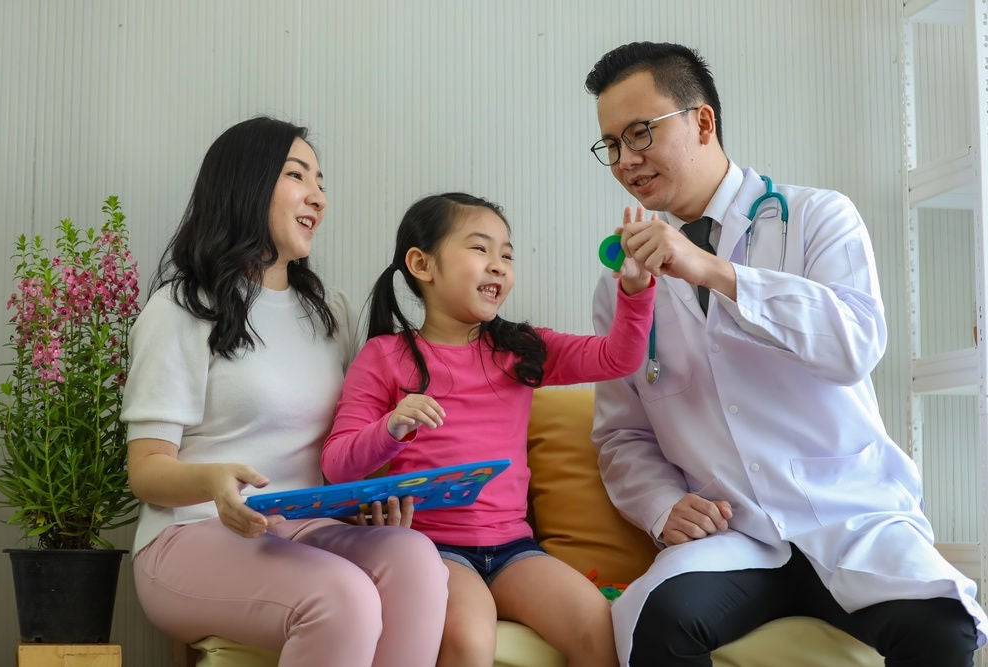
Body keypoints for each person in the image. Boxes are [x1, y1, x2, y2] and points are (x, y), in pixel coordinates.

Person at [584, 41, 988, 667]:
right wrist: (662, 505)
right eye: (611, 145)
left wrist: (717, 272)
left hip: (848, 517)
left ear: (702, 121)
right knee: (658, 625)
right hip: (737, 533)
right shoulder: (625, 287)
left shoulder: (817, 217)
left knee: (943, 630)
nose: (626, 160)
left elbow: (854, 344)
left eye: (640, 134)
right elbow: (622, 434)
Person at [121, 116, 449, 667]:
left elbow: (346, 438)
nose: (318, 196)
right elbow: (147, 470)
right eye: (298, 176)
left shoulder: (333, 313)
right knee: (343, 598)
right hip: (191, 534)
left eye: (321, 182)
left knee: (415, 559)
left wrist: (372, 499)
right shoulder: (181, 308)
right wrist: (213, 481)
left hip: (302, 526)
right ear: (247, 185)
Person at [321, 192, 655, 667]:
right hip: (431, 549)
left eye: (507, 254)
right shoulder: (384, 356)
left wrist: (636, 289)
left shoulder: (522, 349)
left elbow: (617, 357)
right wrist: (390, 429)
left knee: (596, 622)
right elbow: (336, 465)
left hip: (514, 548)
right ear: (422, 264)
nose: (499, 265)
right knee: (471, 640)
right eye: (480, 249)